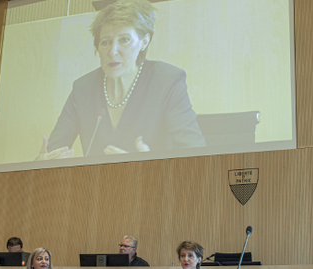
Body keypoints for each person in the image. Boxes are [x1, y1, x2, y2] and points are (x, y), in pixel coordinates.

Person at [38, 0, 205, 160]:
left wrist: (150, 166)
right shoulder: (83, 89)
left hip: (152, 186)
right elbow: (52, 151)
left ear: (144, 42)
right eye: (105, 42)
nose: (113, 51)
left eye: (124, 40)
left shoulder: (167, 81)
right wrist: (40, 163)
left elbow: (196, 156)